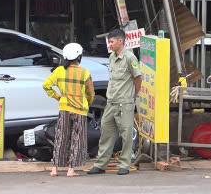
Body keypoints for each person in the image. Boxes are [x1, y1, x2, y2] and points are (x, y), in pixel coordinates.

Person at [89, 29, 142, 176]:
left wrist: (134, 96)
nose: (110, 44)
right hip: (111, 102)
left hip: (124, 103)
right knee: (106, 134)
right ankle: (100, 164)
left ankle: (124, 165)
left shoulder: (130, 58)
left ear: (120, 41)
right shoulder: (112, 57)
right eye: (109, 42)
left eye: (111, 42)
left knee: (126, 135)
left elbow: (138, 78)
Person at [43, 43, 95, 177]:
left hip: (64, 108)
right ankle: (71, 170)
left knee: (60, 137)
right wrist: (88, 103)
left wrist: (58, 97)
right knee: (77, 139)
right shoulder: (84, 73)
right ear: (79, 57)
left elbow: (46, 85)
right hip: (80, 110)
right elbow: (91, 93)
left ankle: (54, 169)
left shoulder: (59, 71)